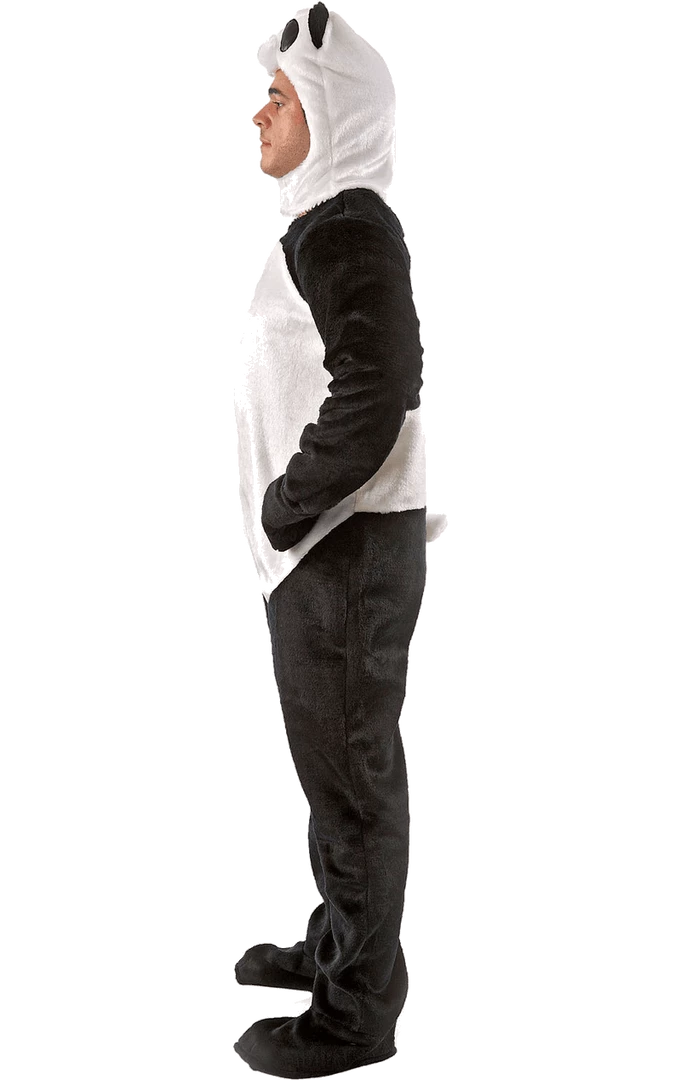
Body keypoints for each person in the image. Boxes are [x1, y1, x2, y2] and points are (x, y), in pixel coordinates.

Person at [232, 5, 446, 1077]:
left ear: (334, 109)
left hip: (342, 549)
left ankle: (355, 1013)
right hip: (327, 551)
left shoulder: (344, 226)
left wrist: (286, 504)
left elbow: (379, 386)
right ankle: (336, 944)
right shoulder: (325, 217)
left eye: (282, 95)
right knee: (334, 774)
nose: (260, 112)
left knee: (354, 782)